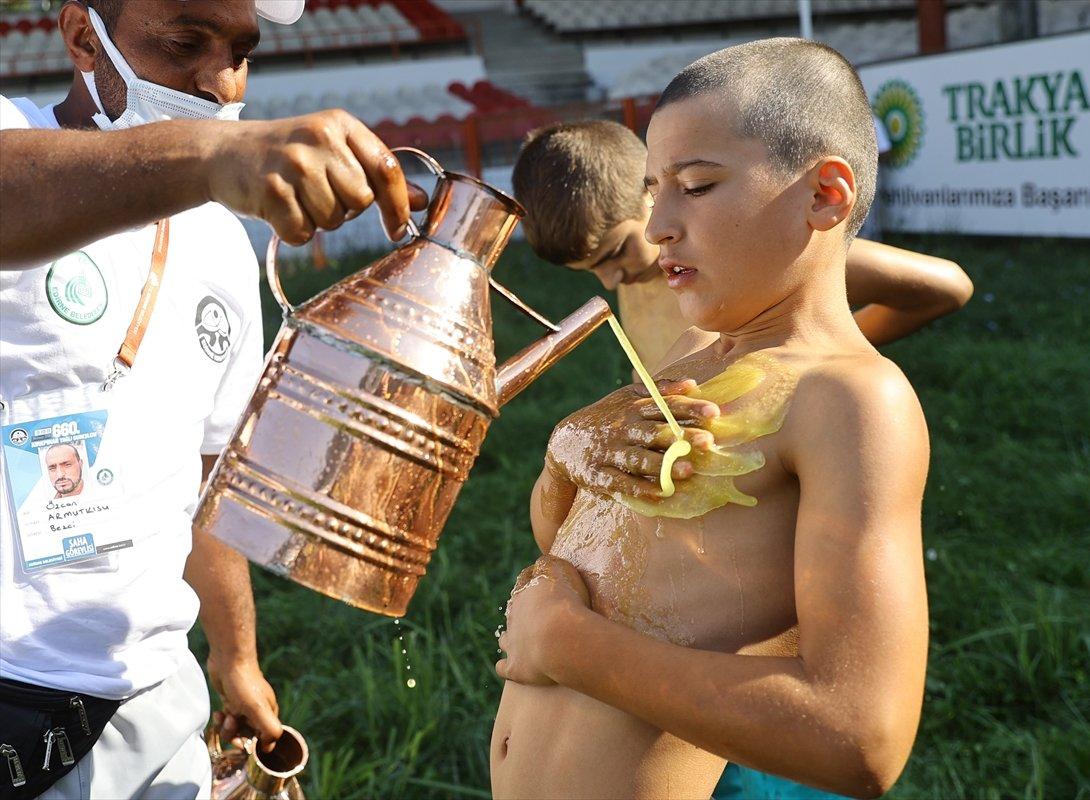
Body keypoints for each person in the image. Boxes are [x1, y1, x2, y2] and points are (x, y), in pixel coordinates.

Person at [0, 1, 423, 797]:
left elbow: (209, 470)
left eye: (242, 50)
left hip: (154, 692)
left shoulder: (223, 243)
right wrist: (211, 155)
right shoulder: (12, 142)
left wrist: (235, 658)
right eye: (186, 42)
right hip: (12, 687)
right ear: (83, 37)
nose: (221, 79)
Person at [492, 39, 931, 799]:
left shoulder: (851, 401)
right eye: (653, 186)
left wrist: (566, 644)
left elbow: (862, 739)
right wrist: (565, 456)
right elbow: (584, 547)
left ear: (825, 194)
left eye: (695, 186)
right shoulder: (688, 365)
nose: (657, 222)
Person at [512, 119, 973, 372]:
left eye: (614, 254)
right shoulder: (640, 272)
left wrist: (836, 344)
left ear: (652, 190)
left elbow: (948, 287)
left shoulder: (768, 260)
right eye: (590, 270)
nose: (611, 280)